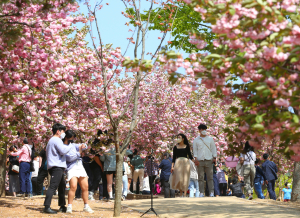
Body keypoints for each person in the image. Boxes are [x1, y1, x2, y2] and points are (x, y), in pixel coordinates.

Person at [62, 130, 94, 214]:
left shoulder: (72, 145)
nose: (73, 139)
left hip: (80, 166)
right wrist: (79, 152)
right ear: (67, 137)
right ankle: (69, 206)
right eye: (72, 137)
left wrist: (84, 145)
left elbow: (84, 146)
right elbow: (70, 158)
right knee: (73, 186)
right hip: (71, 168)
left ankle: (86, 206)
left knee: (85, 187)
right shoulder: (62, 147)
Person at [43, 123, 72, 214]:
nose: (64, 133)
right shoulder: (56, 140)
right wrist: (70, 146)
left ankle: (62, 206)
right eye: (63, 131)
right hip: (57, 167)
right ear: (58, 131)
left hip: (55, 166)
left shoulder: (52, 140)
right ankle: (47, 206)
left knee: (62, 186)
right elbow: (63, 151)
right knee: (53, 186)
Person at [193, 124, 217, 197]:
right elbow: (195, 150)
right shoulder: (196, 140)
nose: (204, 131)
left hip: (209, 159)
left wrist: (214, 157)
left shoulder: (210, 139)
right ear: (199, 130)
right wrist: (196, 159)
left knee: (210, 177)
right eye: (202, 129)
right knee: (200, 177)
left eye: (205, 129)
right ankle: (201, 193)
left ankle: (212, 192)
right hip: (200, 160)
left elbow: (213, 148)